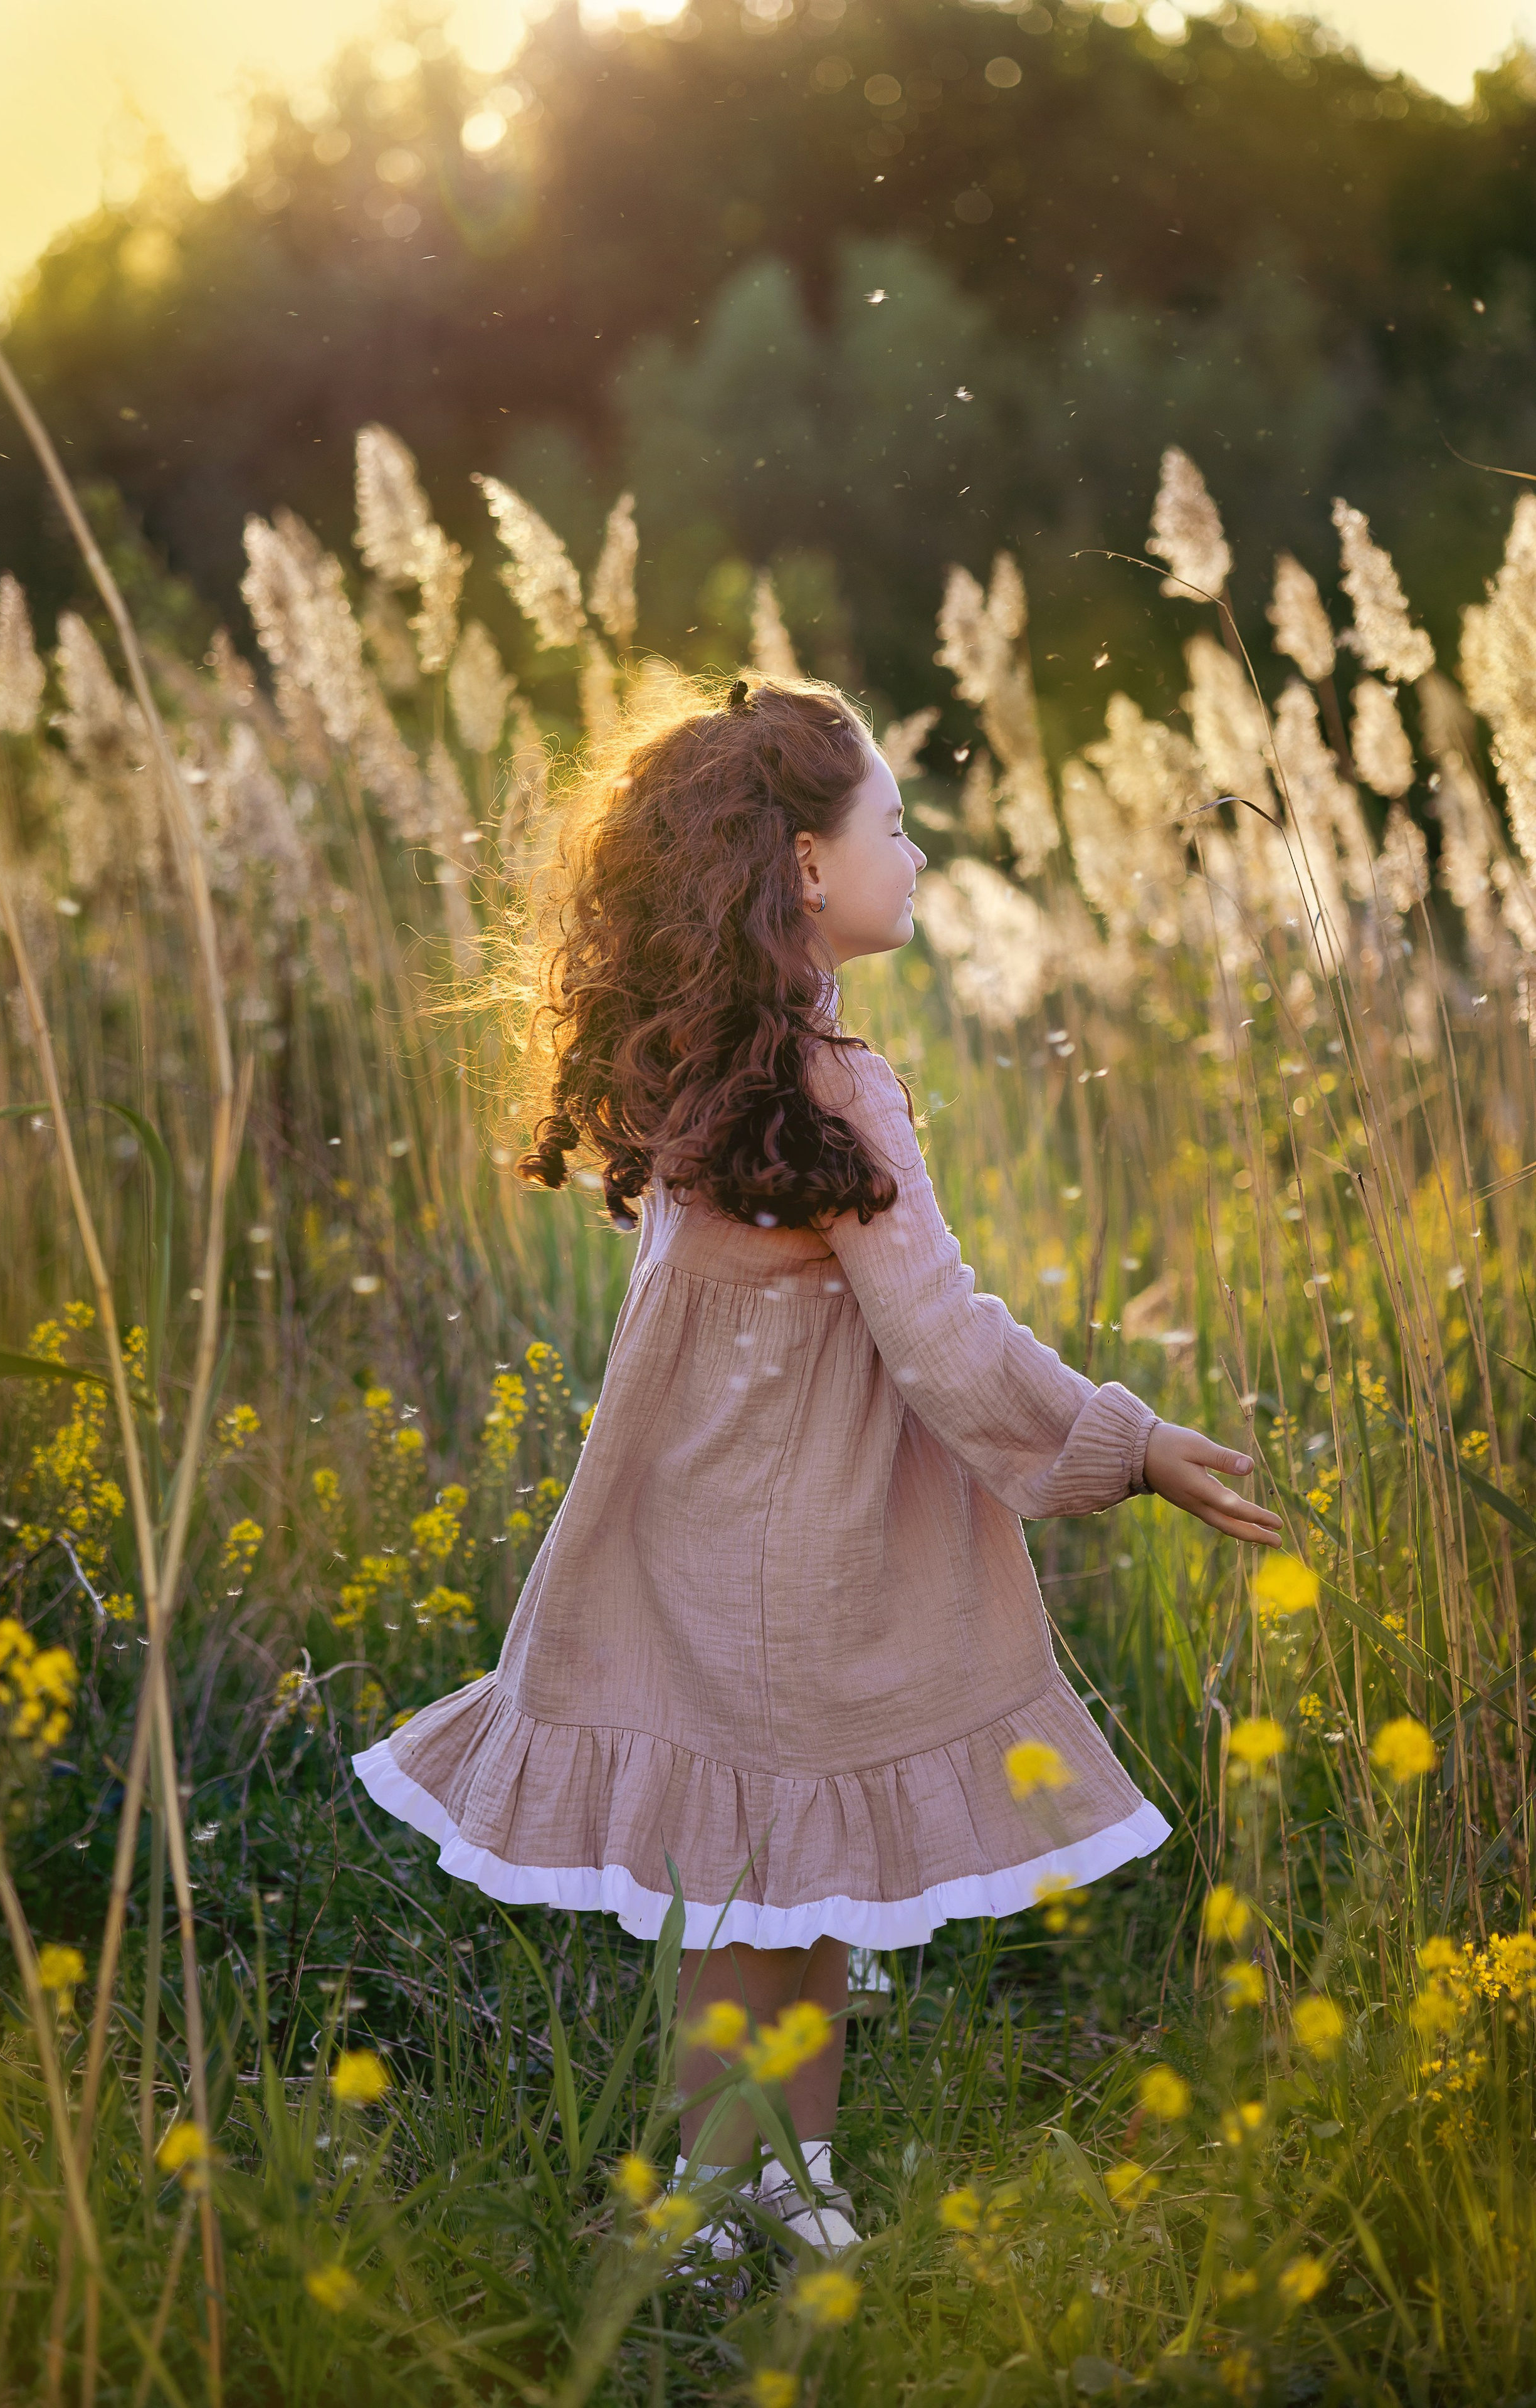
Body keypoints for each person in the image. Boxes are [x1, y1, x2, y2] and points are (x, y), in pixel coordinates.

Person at [354, 671, 1281, 2273]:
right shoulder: (831, 1087)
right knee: (788, 1897)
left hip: (695, 1545)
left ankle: (753, 2185)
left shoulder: (707, 1073)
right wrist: (1128, 1445)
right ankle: (737, 2192)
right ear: (802, 866)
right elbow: (941, 1336)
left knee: (761, 1896)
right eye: (894, 826)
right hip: (803, 1561)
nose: (916, 857)